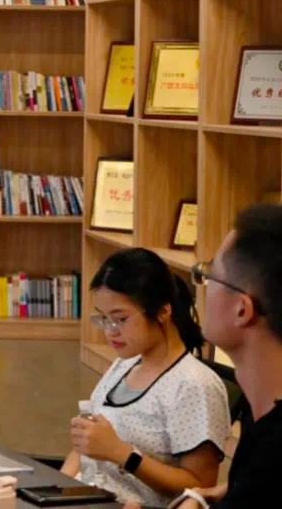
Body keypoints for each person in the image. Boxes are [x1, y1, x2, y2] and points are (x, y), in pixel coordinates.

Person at [63, 248, 230, 507]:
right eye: (104, 319)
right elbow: (83, 447)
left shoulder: (194, 385)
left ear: (163, 311)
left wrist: (122, 454)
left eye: (120, 319)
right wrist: (56, 493)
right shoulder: (124, 365)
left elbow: (201, 488)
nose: (110, 331)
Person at [158, 203, 282, 509]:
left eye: (210, 275)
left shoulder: (273, 450)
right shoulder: (261, 411)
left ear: (242, 309)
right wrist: (219, 492)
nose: (204, 288)